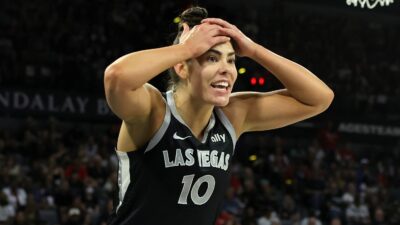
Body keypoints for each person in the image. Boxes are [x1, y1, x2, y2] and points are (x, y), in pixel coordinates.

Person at [104, 6, 334, 225]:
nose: (226, 69)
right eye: (212, 58)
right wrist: (186, 50)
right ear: (182, 68)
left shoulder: (232, 116)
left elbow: (320, 98)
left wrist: (253, 50)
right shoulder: (154, 111)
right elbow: (116, 77)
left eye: (231, 60)